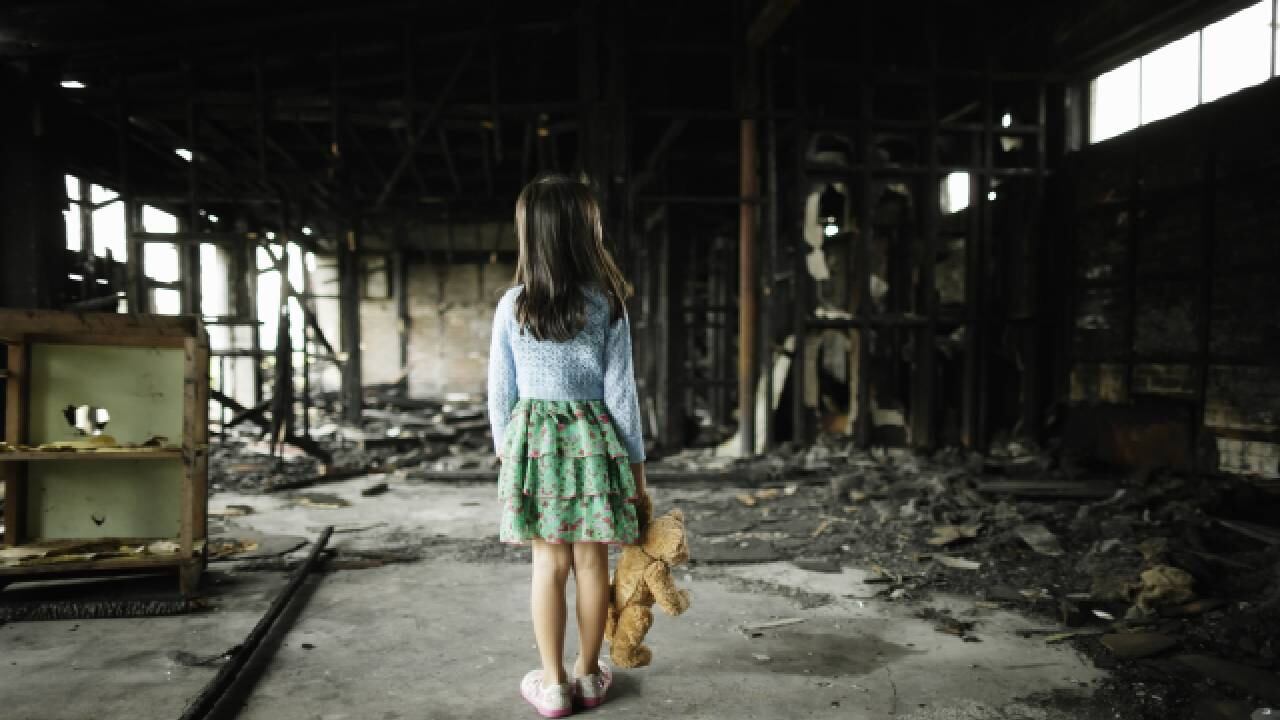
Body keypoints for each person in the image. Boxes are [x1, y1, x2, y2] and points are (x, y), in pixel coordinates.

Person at [488, 172, 649, 718]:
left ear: (530, 234)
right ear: (586, 231)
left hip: (534, 446)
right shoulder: (608, 303)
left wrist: (506, 456)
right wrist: (638, 470)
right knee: (593, 565)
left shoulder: (512, 305)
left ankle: (552, 684)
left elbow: (499, 394)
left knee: (547, 568)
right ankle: (588, 674)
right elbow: (622, 393)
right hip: (594, 443)